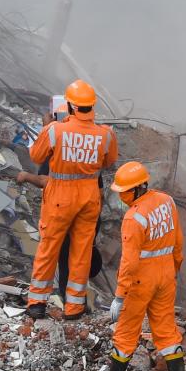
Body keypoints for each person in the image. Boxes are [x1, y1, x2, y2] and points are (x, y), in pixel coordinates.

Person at [25, 79, 117, 320]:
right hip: (89, 197)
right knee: (81, 252)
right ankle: (74, 307)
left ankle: (37, 302)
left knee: (49, 248)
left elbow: (36, 156)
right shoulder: (105, 134)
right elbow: (108, 162)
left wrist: (48, 127)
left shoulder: (56, 130)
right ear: (92, 107)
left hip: (60, 196)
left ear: (71, 106)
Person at [106, 161, 186, 371]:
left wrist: (120, 296)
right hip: (166, 275)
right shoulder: (167, 201)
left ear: (138, 187)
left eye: (124, 192)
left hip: (140, 281)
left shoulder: (134, 218)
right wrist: (174, 270)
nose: (121, 196)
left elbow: (129, 263)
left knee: (125, 333)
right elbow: (178, 241)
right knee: (167, 331)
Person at [15, 170, 103, 301]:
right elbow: (100, 194)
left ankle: (57, 302)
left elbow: (43, 180)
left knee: (62, 261)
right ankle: (76, 304)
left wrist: (26, 176)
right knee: (78, 260)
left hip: (63, 217)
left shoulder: (58, 158)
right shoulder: (91, 158)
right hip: (87, 218)